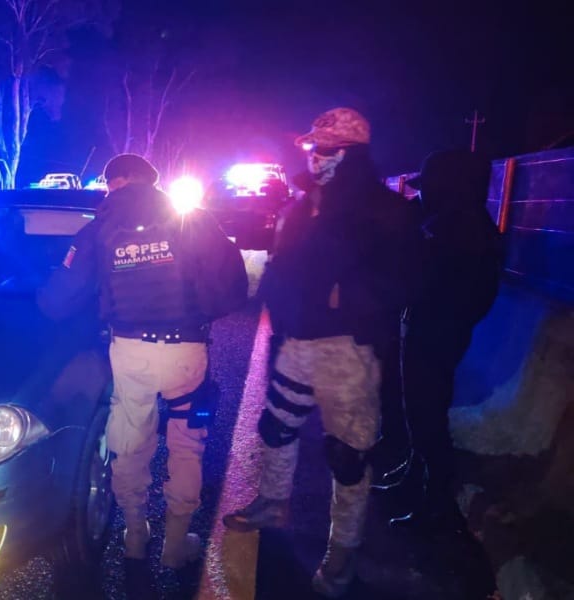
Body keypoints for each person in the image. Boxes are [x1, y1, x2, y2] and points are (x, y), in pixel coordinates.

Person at [222, 108, 422, 598]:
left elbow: (405, 281)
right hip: (296, 342)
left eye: (324, 149)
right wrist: (280, 314)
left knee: (347, 455)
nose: (313, 156)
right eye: (312, 148)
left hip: (347, 352)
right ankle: (272, 502)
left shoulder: (384, 210)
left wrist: (339, 298)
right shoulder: (304, 204)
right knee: (276, 427)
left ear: (349, 154)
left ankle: (342, 555)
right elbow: (283, 267)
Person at [38, 153, 248, 570]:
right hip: (186, 350)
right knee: (187, 445)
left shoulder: (97, 229)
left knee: (130, 443)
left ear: (113, 183)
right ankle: (175, 545)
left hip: (130, 351)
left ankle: (135, 535)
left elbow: (57, 301)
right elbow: (232, 286)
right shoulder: (191, 219)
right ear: (152, 181)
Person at [387, 149, 503, 532]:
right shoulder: (453, 223)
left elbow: (429, 280)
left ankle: (433, 502)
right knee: (418, 410)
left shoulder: (458, 230)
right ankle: (414, 476)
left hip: (435, 333)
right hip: (430, 328)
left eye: (428, 187)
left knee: (427, 416)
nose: (421, 195)